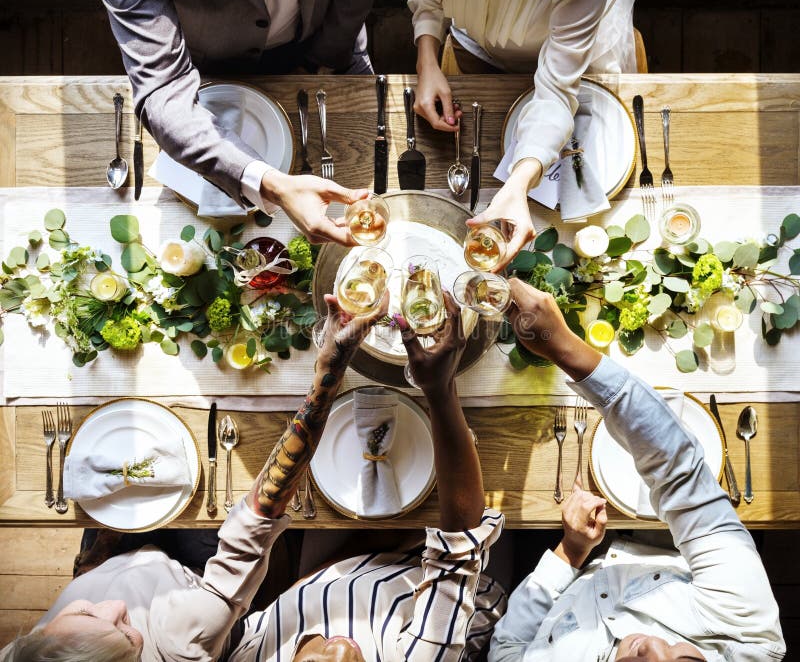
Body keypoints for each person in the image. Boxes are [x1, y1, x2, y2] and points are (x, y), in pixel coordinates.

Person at [1, 291, 389, 662]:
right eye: (125, 631)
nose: (115, 606)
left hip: (116, 560)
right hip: (194, 574)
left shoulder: (23, 654)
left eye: (84, 614)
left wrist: (95, 564)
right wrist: (328, 372)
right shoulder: (184, 642)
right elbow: (258, 517)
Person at [488, 278, 785, 662]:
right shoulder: (750, 636)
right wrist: (563, 346)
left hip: (572, 568)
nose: (649, 645)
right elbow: (678, 470)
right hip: (675, 551)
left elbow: (506, 649)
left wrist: (570, 551)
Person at [227, 292, 506, 662]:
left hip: (334, 576)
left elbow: (254, 524)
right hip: (445, 589)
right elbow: (460, 544)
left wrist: (330, 367)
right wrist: (440, 390)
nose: (341, 648)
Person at [90, 0, 386, 243]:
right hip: (201, 66)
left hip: (323, 42)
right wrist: (273, 185)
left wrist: (322, 60)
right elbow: (164, 90)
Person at [408, 0, 638, 269]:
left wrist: (518, 182)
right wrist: (427, 61)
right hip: (476, 47)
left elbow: (556, 90)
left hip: (570, 57)